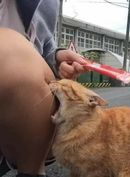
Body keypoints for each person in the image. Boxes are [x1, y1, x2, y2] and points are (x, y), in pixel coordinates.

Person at [0, 0, 87, 176]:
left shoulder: (48, 3)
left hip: (22, 115)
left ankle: (31, 170)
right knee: (10, 46)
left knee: (19, 59)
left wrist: (56, 59)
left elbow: (45, 42)